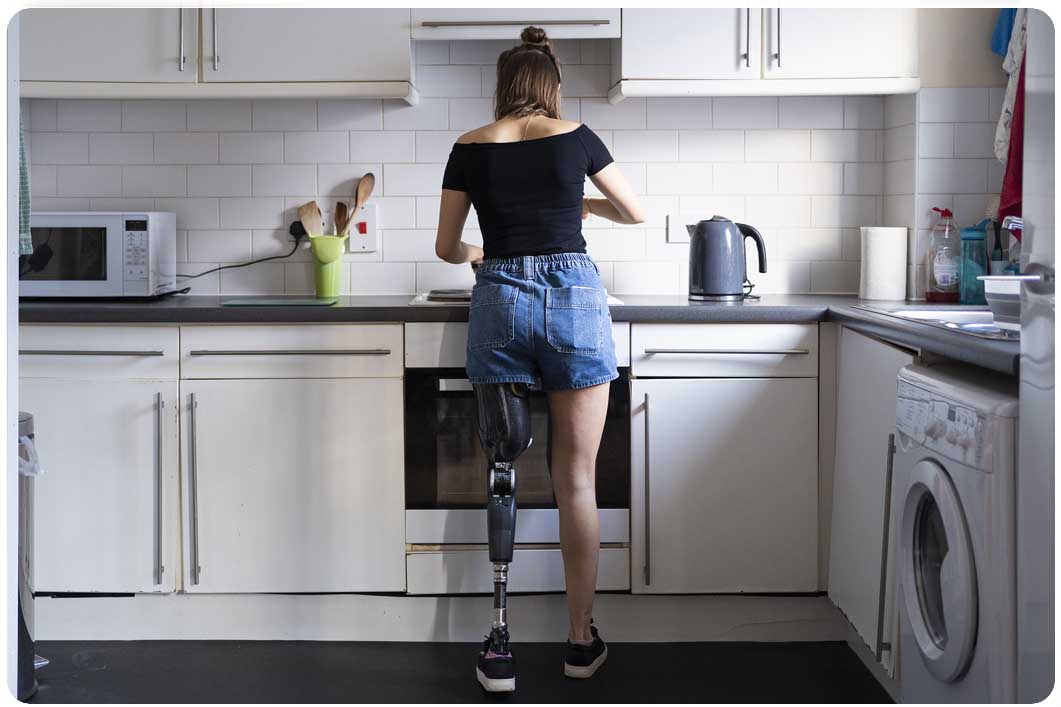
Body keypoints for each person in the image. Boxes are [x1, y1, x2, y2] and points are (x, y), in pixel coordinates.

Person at [434, 25, 645, 691]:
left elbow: (447, 247)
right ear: (551, 86)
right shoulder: (578, 137)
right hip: (576, 304)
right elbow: (634, 212)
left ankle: (499, 641)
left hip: (500, 304)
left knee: (502, 472)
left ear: (502, 87)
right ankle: (579, 639)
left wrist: (484, 255)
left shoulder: (468, 145)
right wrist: (572, 200)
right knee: (574, 481)